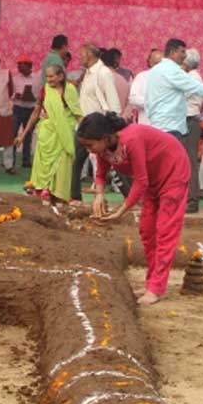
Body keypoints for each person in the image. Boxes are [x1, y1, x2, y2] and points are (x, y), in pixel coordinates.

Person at [78, 112, 189, 306]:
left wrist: (121, 210)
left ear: (105, 138)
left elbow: (141, 180)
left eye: (90, 145)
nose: (89, 150)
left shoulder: (131, 139)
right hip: (153, 181)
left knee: (165, 231)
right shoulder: (102, 150)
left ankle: (157, 287)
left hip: (173, 173)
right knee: (147, 230)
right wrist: (99, 193)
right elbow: (101, 173)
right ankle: (151, 282)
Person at [145, 39, 203, 214]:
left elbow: (148, 101)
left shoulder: (155, 71)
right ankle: (176, 203)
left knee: (168, 167)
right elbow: (199, 88)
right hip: (174, 126)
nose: (184, 56)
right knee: (179, 167)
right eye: (182, 52)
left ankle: (167, 203)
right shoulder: (172, 71)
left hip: (162, 125)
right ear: (172, 52)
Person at [16, 64, 81, 201]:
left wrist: (89, 131)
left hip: (64, 134)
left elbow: (77, 113)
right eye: (47, 76)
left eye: (51, 76)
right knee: (42, 167)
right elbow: (36, 112)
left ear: (61, 76)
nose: (48, 79)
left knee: (62, 165)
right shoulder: (44, 90)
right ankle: (43, 193)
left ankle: (59, 197)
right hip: (47, 134)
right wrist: (23, 134)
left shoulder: (70, 90)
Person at [70, 44, 120, 202]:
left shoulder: (103, 73)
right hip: (84, 124)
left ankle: (130, 195)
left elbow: (113, 102)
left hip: (99, 127)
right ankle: (75, 197)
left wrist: (112, 126)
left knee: (113, 164)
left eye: (82, 55)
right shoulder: (88, 73)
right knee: (76, 160)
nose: (80, 58)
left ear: (90, 55)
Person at [181, 48, 203, 212]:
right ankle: (189, 198)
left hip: (189, 120)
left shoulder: (191, 77)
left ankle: (192, 200)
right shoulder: (194, 77)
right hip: (189, 120)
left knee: (189, 160)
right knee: (186, 160)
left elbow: (181, 97)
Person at [10, 55, 40, 168]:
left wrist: (33, 97)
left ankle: (26, 161)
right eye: (18, 65)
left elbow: (39, 94)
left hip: (31, 109)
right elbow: (10, 93)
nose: (18, 67)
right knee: (13, 133)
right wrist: (15, 96)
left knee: (28, 135)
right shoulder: (15, 78)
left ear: (28, 66)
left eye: (21, 65)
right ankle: (10, 161)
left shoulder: (37, 78)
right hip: (18, 108)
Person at [128, 49, 162, 124]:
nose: (158, 67)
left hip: (166, 126)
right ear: (150, 62)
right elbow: (133, 98)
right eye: (156, 63)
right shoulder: (142, 77)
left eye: (161, 64)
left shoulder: (169, 78)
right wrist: (153, 103)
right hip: (147, 123)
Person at [104, 48, 132, 118]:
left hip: (103, 122)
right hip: (120, 121)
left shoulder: (100, 79)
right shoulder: (123, 80)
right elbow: (130, 103)